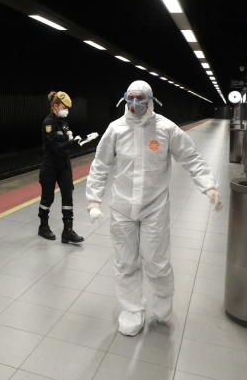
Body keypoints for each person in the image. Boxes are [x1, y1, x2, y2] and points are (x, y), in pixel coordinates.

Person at [85, 80, 222, 337]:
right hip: (122, 208)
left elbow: (190, 157)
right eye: (131, 99)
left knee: (157, 262)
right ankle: (132, 309)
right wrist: (93, 199)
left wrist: (209, 186)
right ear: (125, 99)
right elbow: (100, 165)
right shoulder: (115, 130)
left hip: (154, 207)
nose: (135, 104)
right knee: (125, 262)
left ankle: (161, 301)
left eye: (141, 99)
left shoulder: (166, 129)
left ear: (150, 100)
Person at [37, 91, 85, 244]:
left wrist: (75, 140)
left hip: (64, 165)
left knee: (68, 196)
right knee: (47, 198)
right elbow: (53, 147)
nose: (67, 111)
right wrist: (69, 142)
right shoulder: (48, 123)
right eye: (64, 107)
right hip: (50, 166)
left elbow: (64, 144)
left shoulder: (63, 123)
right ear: (55, 105)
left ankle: (68, 231)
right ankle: (43, 227)